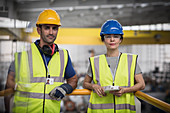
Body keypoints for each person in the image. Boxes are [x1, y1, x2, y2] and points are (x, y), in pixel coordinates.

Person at [4, 9, 78, 113]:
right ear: (39, 30)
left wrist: (65, 88)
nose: (51, 32)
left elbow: (73, 80)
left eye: (55, 28)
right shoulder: (23, 56)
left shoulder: (63, 55)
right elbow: (8, 87)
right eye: (47, 28)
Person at [83, 19, 145, 113]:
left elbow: (141, 84)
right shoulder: (95, 61)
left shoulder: (130, 60)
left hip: (124, 110)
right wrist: (94, 86)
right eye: (108, 36)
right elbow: (85, 83)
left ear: (120, 39)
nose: (112, 40)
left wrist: (126, 90)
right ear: (103, 39)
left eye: (115, 36)